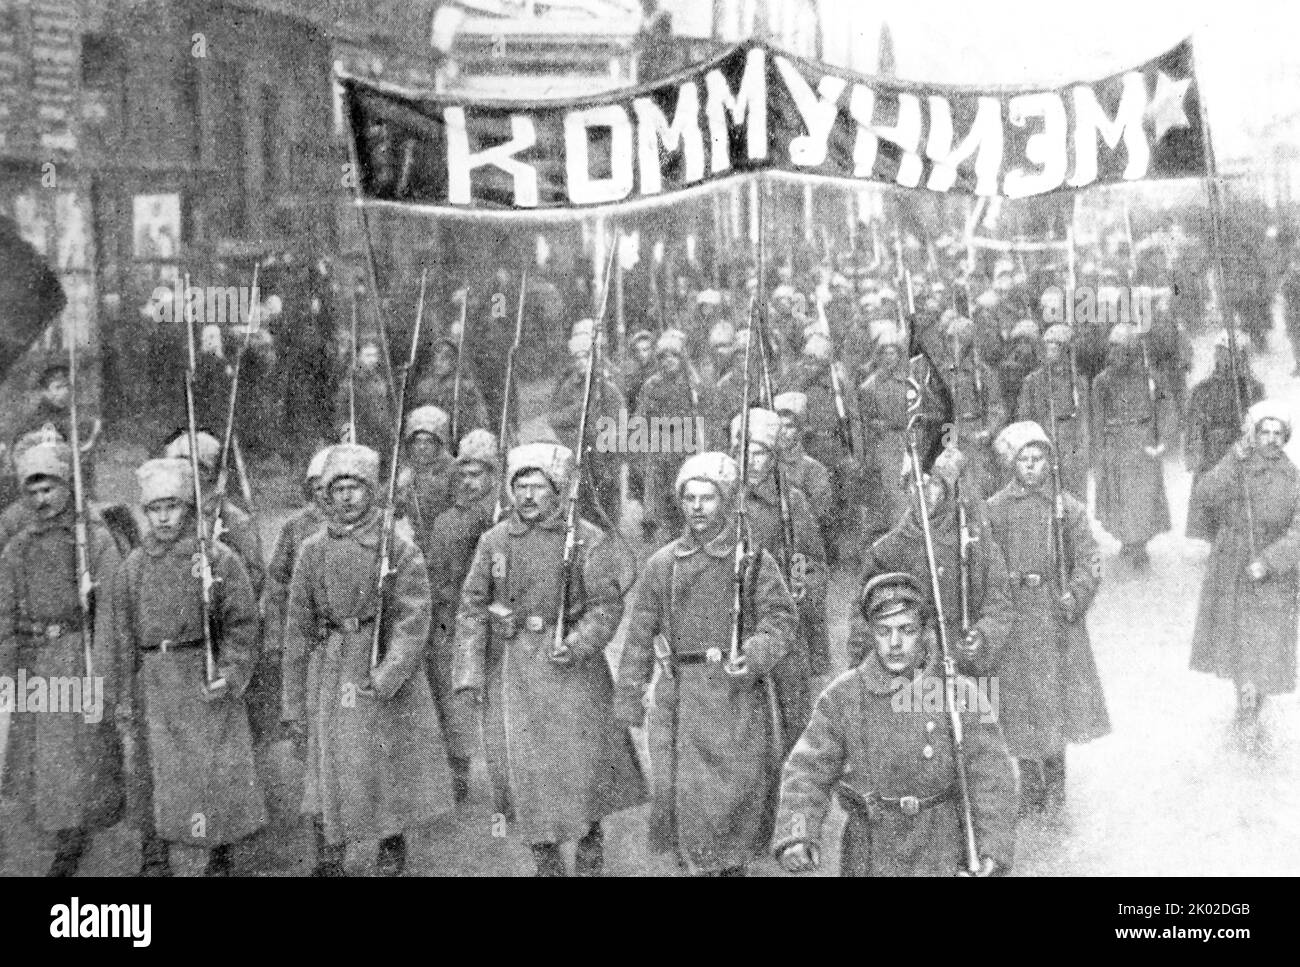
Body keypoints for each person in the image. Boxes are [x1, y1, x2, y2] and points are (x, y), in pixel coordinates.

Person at [453, 442, 645, 876]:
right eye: (520, 487)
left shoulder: (586, 539)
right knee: (527, 769)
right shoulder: (495, 541)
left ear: (557, 490)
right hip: (515, 669)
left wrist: (578, 642)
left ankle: (590, 841)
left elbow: (606, 605)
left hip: (572, 670)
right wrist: (469, 667)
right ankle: (545, 857)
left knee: (584, 763)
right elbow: (471, 604)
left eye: (538, 487)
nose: (528, 496)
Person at [615, 452, 798, 876]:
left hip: (735, 698)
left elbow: (781, 622)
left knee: (735, 797)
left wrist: (753, 653)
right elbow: (640, 635)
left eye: (708, 498)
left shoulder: (752, 562)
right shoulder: (663, 565)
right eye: (689, 498)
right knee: (686, 802)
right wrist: (629, 695)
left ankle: (732, 868)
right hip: (680, 700)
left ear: (727, 501)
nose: (697, 507)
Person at [772, 571, 1017, 877]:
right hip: (871, 849)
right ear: (871, 633)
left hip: (940, 846)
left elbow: (992, 777)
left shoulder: (958, 692)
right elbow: (807, 770)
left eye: (907, 629)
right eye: (884, 631)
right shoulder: (844, 696)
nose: (896, 643)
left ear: (924, 631)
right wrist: (798, 833)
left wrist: (992, 849)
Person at [281, 443, 452, 877]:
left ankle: (391, 846)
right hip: (333, 666)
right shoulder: (312, 550)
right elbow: (298, 626)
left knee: (384, 762)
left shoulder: (397, 547)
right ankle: (329, 855)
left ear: (373, 491)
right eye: (337, 488)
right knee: (330, 764)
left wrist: (391, 669)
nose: (346, 497)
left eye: (355, 487)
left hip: (379, 669)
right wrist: (292, 698)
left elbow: (414, 618)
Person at [109, 457, 266, 876]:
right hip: (153, 681)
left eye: (172, 506)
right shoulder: (132, 569)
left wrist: (231, 673)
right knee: (152, 771)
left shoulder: (216, 559)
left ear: (189, 508)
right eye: (154, 509)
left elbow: (241, 624)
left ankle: (218, 851)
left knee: (209, 767)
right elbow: (121, 636)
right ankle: (155, 853)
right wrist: (122, 695)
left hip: (200, 672)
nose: (163, 517)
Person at [0, 441, 123, 876]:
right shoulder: (18, 548)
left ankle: (72, 836)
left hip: (76, 653)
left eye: (49, 488)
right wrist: (8, 666)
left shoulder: (93, 541)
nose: (41, 499)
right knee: (39, 751)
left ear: (68, 487)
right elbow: (4, 610)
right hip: (35, 658)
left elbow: (112, 607)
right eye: (32, 492)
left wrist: (104, 664)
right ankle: (51, 826)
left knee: (73, 749)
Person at [986, 422, 1110, 813]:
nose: (1031, 467)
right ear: (1012, 464)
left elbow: (1090, 560)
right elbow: (986, 564)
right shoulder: (995, 510)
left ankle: (1056, 778)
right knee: (1019, 700)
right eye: (1024, 459)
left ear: (1049, 462)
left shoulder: (1066, 508)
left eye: (1039, 459)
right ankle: (1028, 779)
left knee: (1054, 698)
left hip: (1055, 615)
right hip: (1015, 615)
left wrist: (1076, 594)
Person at [1189, 402, 1300, 740]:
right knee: (1239, 639)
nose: (1270, 439)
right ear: (1254, 434)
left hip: (1272, 571)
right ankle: (1245, 703)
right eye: (1264, 432)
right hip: (1232, 562)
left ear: (1285, 438)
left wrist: (1269, 561)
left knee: (1266, 641)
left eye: (1276, 433)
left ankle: (1256, 701)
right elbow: (1205, 495)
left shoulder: (1293, 477)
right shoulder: (1237, 464)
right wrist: (1231, 459)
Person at [857, 447, 1011, 677]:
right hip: (911, 676)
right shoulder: (887, 551)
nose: (923, 493)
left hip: (967, 670)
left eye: (933, 485)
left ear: (948, 491)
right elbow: (863, 620)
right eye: (915, 484)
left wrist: (983, 635)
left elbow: (999, 605)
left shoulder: (977, 544)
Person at [424, 429, 499, 805]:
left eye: (478, 474)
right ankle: (458, 766)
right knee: (454, 694)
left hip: (496, 616)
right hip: (452, 614)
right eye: (464, 474)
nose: (470, 482)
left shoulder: (504, 517)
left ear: (494, 476)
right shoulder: (447, 520)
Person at [1091, 323, 1172, 569]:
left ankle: (1139, 543)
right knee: (1118, 496)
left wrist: (1164, 439)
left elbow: (1165, 408)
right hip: (1116, 444)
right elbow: (1096, 419)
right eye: (1114, 350)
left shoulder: (1150, 377)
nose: (1117, 356)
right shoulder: (1102, 382)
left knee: (1143, 497)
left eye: (1123, 351)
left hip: (1142, 441)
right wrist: (1098, 454)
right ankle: (1128, 538)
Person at [1185, 331, 1264, 541]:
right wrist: (1195, 450)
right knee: (1212, 493)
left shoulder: (1251, 389)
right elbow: (1194, 422)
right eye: (1218, 353)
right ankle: (1214, 538)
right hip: (1212, 451)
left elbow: (1260, 421)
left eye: (1227, 353)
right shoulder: (1204, 388)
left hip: (1237, 448)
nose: (1221, 358)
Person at [548, 323, 625, 527]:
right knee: (581, 501)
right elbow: (555, 418)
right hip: (579, 453)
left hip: (604, 455)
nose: (581, 362)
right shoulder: (568, 387)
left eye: (586, 357)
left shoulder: (606, 387)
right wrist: (576, 416)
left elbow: (619, 423)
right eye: (577, 358)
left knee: (606, 501)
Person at [636, 329, 706, 546]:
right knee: (659, 494)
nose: (669, 362)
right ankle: (663, 533)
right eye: (664, 358)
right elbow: (641, 416)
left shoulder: (691, 384)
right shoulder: (652, 385)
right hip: (660, 446)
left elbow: (702, 414)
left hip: (685, 446)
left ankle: (686, 533)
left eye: (673, 357)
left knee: (684, 491)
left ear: (681, 359)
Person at [1015, 324, 1090, 501]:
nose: (1050, 352)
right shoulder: (1032, 382)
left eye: (1055, 348)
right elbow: (1024, 418)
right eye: (1047, 347)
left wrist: (1082, 449)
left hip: (1071, 442)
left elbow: (1084, 418)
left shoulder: (1078, 382)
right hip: (1044, 439)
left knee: (1074, 494)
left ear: (1065, 351)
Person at [858, 325, 913, 536]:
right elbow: (865, 421)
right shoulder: (869, 387)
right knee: (891, 491)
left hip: (908, 440)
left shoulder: (909, 384)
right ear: (878, 356)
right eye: (885, 353)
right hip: (885, 444)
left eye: (894, 352)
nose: (890, 357)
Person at [397, 404, 457, 553]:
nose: (422, 447)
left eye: (429, 441)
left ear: (439, 443)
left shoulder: (454, 471)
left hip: (446, 547)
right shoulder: (405, 472)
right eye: (417, 441)